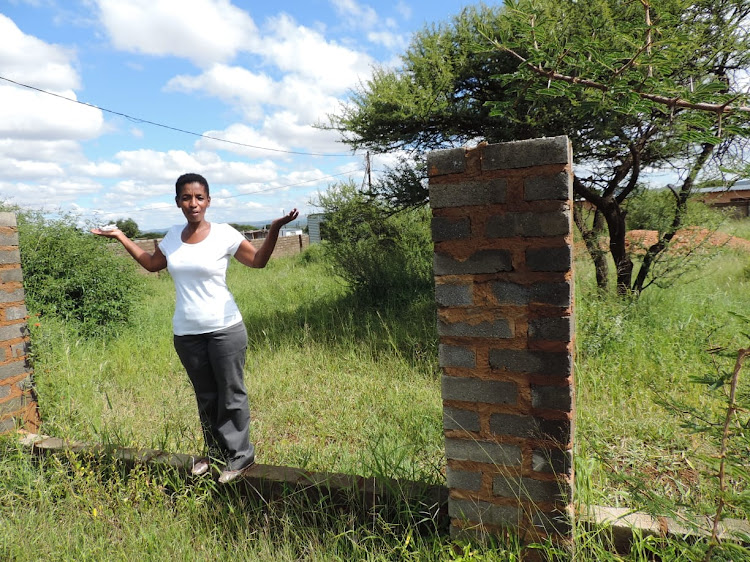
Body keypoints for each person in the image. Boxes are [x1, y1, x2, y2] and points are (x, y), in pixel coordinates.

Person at [92, 172, 299, 483]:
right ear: (178, 202)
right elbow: (151, 264)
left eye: (199, 197)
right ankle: (215, 452)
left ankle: (240, 456)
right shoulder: (172, 236)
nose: (193, 203)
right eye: (186, 197)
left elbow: (258, 261)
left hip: (225, 328)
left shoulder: (224, 234)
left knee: (231, 394)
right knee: (206, 395)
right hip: (187, 333)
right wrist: (122, 236)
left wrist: (273, 230)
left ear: (208, 200)